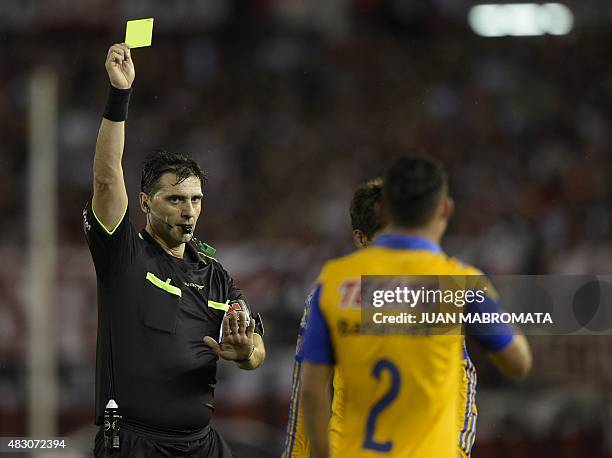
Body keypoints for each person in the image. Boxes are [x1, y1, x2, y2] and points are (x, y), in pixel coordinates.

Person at [83, 43, 266, 458]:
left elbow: (255, 347)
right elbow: (108, 181)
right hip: (133, 443)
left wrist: (246, 354)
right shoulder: (123, 256)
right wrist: (119, 95)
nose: (188, 211)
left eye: (196, 200)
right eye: (175, 200)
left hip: (203, 444)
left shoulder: (216, 274)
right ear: (145, 203)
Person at [299, 156, 532, 457]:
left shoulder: (333, 281)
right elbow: (518, 362)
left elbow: (311, 389)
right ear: (445, 209)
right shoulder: (460, 282)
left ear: (384, 210)